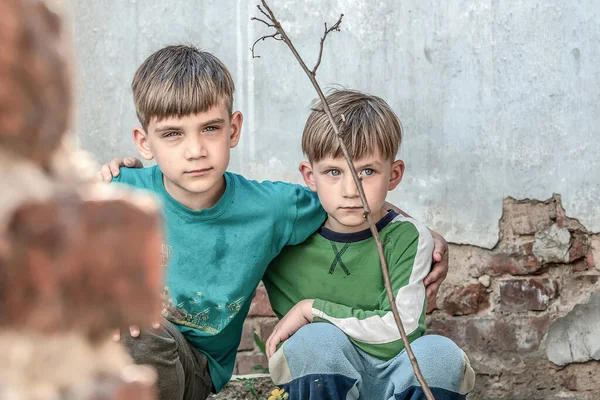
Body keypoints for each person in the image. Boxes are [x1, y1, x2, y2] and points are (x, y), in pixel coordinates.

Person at [99, 44, 450, 400]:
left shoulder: (273, 208)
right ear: (145, 142)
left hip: (198, 368)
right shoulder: (115, 193)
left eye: (209, 128)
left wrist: (428, 236)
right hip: (122, 348)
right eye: (173, 133)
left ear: (233, 129)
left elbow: (352, 197)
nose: (195, 150)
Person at [262, 89, 474, 400]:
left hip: (395, 374)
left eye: (367, 172)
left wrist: (313, 309)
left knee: (439, 353)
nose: (350, 190)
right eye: (334, 172)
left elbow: (399, 332)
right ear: (310, 175)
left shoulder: (407, 238)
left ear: (394, 175)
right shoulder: (283, 230)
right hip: (323, 372)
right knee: (315, 340)